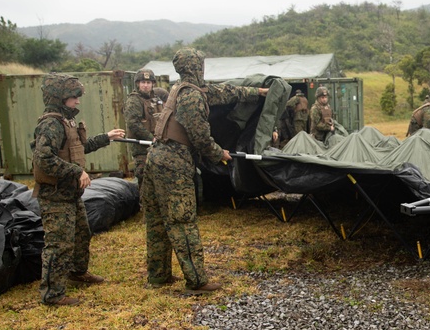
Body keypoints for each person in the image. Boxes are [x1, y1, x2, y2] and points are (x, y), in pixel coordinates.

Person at [142, 47, 268, 293]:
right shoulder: (191, 96)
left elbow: (223, 91)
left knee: (157, 220)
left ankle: (158, 276)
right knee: (182, 221)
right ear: (196, 66)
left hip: (156, 158)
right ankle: (197, 281)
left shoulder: (181, 88)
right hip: (173, 162)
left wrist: (256, 92)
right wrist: (218, 153)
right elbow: (200, 136)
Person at [32, 73, 125, 307]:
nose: (78, 101)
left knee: (82, 234)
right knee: (59, 244)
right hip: (55, 196)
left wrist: (107, 137)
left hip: (71, 194)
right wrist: (77, 172)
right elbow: (43, 159)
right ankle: (52, 294)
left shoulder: (67, 121)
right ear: (60, 97)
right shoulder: (50, 124)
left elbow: (80, 148)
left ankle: (77, 272)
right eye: (74, 96)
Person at [124, 68, 168, 188]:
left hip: (159, 148)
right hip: (143, 151)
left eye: (148, 83)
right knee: (145, 183)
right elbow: (133, 124)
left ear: (153, 84)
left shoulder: (156, 99)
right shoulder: (134, 100)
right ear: (138, 84)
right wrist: (151, 139)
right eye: (143, 82)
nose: (145, 85)